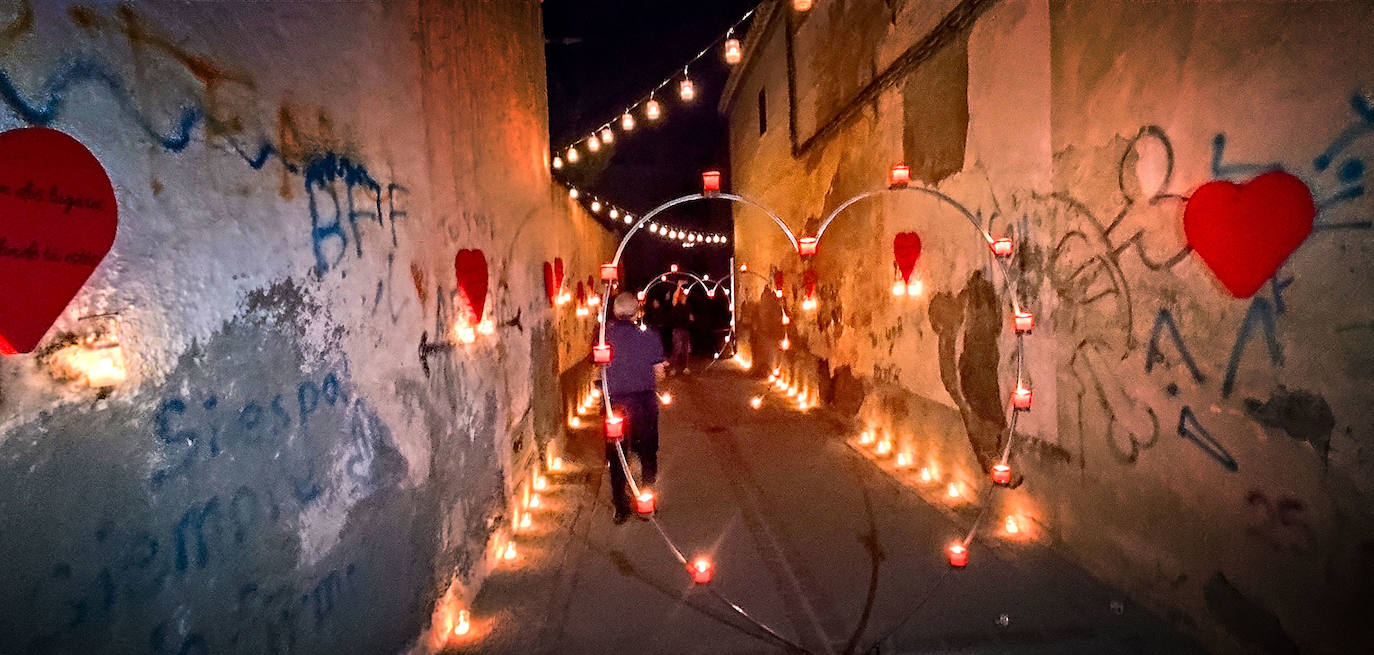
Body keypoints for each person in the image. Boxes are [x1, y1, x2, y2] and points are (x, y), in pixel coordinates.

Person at [601, 292, 666, 524]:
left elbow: (598, 368)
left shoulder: (603, 336)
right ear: (637, 311)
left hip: (615, 404)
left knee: (618, 455)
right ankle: (646, 502)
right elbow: (659, 371)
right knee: (648, 452)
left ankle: (620, 506)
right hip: (643, 402)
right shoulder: (649, 336)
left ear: (615, 312)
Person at [668, 283, 693, 374]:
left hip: (686, 329)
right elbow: (674, 297)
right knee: (676, 349)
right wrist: (679, 286)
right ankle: (673, 368)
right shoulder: (676, 305)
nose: (684, 298)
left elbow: (690, 317)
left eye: (685, 296)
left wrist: (691, 319)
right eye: (683, 296)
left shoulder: (688, 306)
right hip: (677, 329)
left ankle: (685, 367)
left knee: (686, 349)